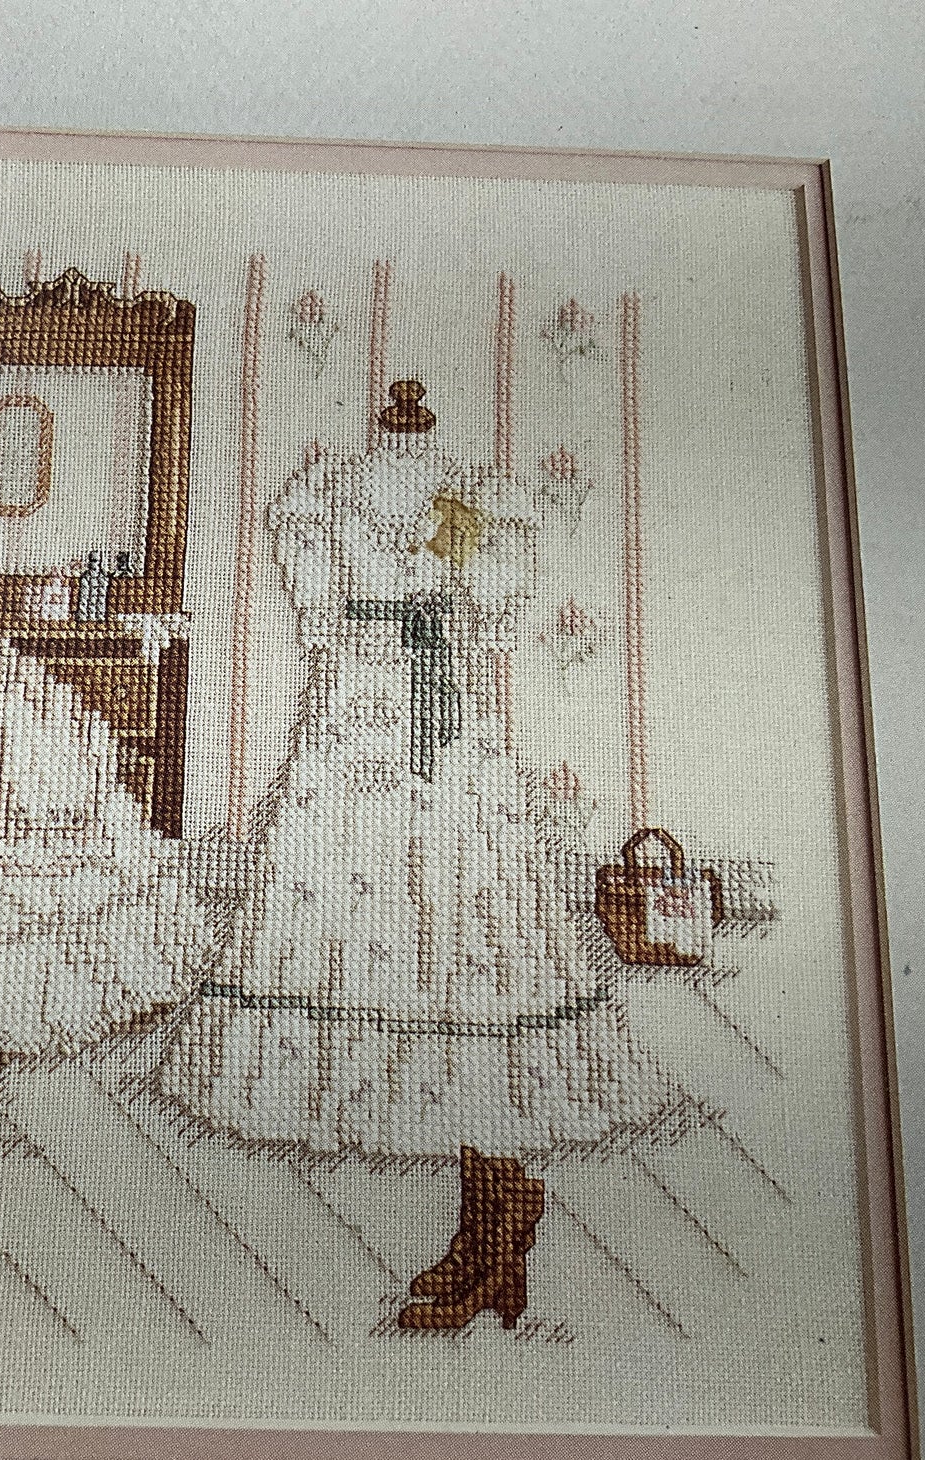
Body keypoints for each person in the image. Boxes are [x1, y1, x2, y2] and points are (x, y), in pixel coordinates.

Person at [155, 383, 680, 1329]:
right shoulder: (330, 493)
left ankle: (496, 1216)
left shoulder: (464, 498)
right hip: (356, 723)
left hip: (447, 735)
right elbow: (316, 602)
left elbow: (490, 605)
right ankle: (494, 1222)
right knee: (379, 937)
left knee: (468, 952)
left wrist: (454, 565)